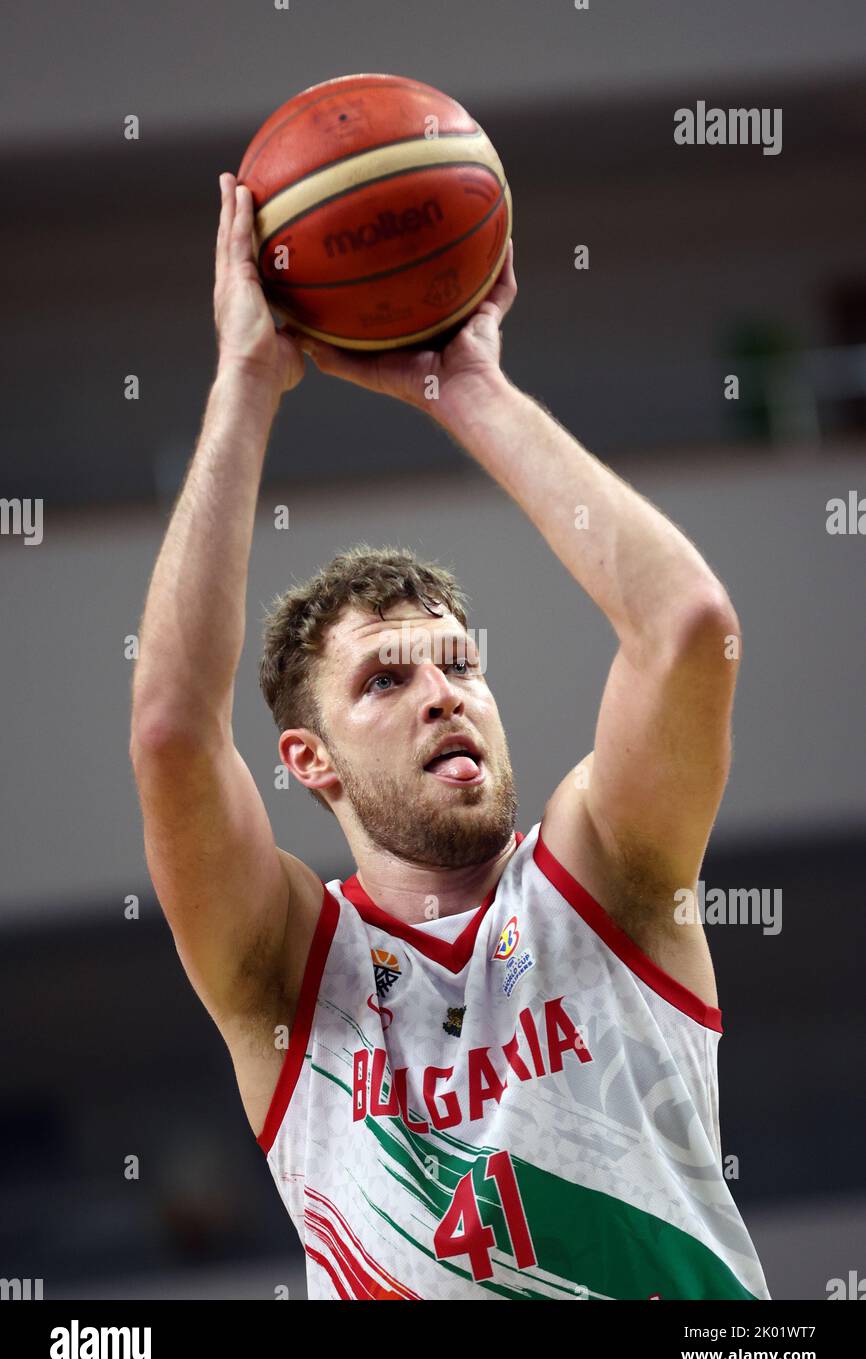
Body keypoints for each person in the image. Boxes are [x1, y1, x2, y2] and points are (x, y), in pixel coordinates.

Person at [129, 173, 770, 1301]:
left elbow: (688, 631)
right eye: (385, 679)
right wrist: (245, 379)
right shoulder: (285, 972)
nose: (443, 694)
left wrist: (465, 382)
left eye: (459, 663)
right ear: (307, 761)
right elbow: (174, 731)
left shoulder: (602, 875)